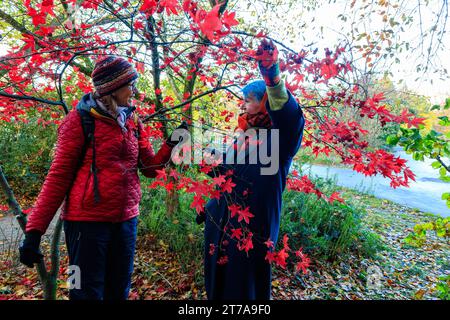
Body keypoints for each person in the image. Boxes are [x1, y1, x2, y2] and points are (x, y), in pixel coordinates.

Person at [19, 55, 183, 300]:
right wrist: (34, 233)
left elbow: (149, 167)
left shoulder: (133, 121)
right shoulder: (78, 120)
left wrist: (172, 142)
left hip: (126, 221)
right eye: (130, 84)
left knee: (119, 290)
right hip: (85, 225)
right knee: (83, 291)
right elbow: (58, 176)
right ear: (113, 88)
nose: (135, 90)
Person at [199, 39, 306, 299]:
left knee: (245, 287)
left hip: (253, 228)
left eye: (249, 100)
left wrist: (271, 76)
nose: (243, 106)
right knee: (219, 284)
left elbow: (289, 114)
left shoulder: (281, 138)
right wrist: (213, 163)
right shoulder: (244, 135)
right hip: (223, 222)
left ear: (266, 103)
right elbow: (232, 173)